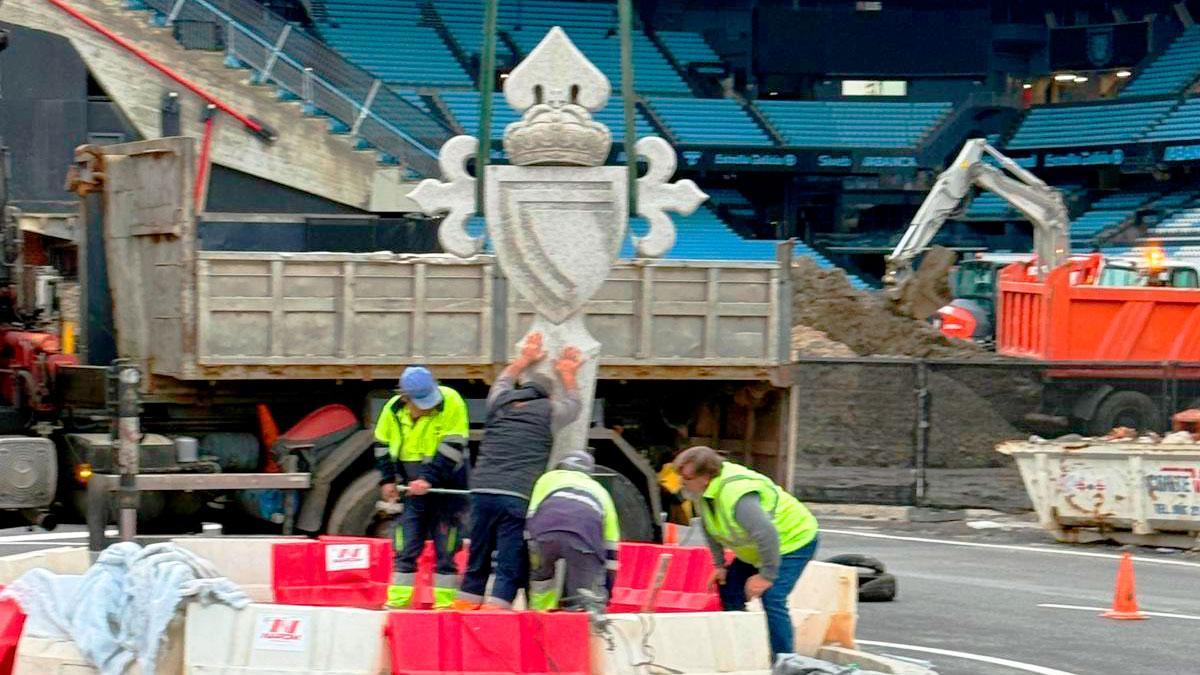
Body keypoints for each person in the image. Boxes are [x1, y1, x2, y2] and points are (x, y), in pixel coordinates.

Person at [453, 331, 584, 610]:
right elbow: (575, 406)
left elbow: (502, 379)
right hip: (516, 493)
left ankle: (466, 607)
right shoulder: (549, 411)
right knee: (509, 556)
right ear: (547, 395)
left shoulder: (498, 402)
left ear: (521, 388)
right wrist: (568, 373)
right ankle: (495, 612)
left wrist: (524, 358)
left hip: (482, 489)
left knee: (478, 551)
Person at [673, 445, 819, 658]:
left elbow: (766, 534)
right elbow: (709, 525)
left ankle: (784, 661)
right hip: (757, 549)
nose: (682, 484)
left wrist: (766, 576)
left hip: (792, 541)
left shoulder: (737, 495)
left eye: (686, 478)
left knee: (773, 597)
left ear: (705, 477)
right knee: (729, 587)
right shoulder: (705, 493)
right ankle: (743, 648)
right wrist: (720, 565)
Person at [375, 366, 470, 609]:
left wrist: (428, 479)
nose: (428, 406)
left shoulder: (451, 401)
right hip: (412, 489)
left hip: (446, 487)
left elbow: (451, 448)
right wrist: (388, 479)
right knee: (405, 544)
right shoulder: (392, 410)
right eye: (421, 402)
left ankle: (445, 605)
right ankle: (397, 602)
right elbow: (382, 446)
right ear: (405, 398)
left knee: (446, 547)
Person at [525, 448, 620, 611]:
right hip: (584, 540)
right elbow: (611, 546)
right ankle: (576, 620)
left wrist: (531, 550)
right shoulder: (600, 491)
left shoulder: (547, 479)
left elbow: (531, 516)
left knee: (542, 581)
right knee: (583, 595)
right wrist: (609, 589)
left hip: (544, 535)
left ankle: (540, 618)